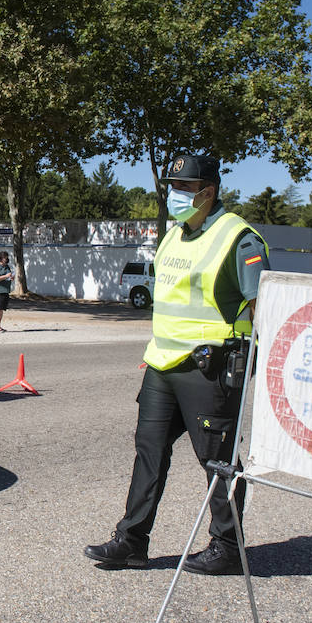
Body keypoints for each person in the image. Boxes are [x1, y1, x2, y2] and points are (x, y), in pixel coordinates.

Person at [84, 154, 269, 576]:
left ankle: (227, 546)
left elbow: (265, 307)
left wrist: (258, 364)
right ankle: (131, 541)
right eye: (173, 186)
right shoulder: (172, 236)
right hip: (162, 364)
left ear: (209, 191)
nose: (176, 194)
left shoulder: (239, 238)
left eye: (185, 188)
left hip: (209, 368)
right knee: (148, 450)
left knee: (218, 461)